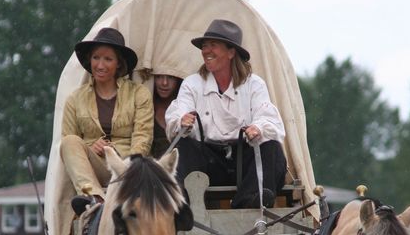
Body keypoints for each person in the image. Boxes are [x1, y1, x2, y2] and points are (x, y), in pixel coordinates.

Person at [165, 19, 287, 208]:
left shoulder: (254, 84)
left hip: (244, 161)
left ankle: (249, 202)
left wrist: (258, 128)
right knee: (183, 147)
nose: (206, 51)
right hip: (208, 163)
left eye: (213, 45)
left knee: (271, 148)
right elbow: (179, 111)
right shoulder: (192, 84)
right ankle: (180, 204)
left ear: (231, 52)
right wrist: (182, 120)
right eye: (205, 46)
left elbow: (267, 116)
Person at [61, 27, 153, 208]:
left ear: (118, 63)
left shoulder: (139, 93)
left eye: (108, 59)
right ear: (90, 60)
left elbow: (143, 137)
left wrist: (129, 166)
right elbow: (68, 144)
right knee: (69, 142)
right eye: (96, 58)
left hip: (127, 167)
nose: (100, 65)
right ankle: (96, 199)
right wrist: (90, 147)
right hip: (94, 170)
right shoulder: (75, 99)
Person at [151, 74, 182, 158]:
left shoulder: (185, 107)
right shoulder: (146, 107)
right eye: (159, 76)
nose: (164, 83)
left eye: (171, 77)